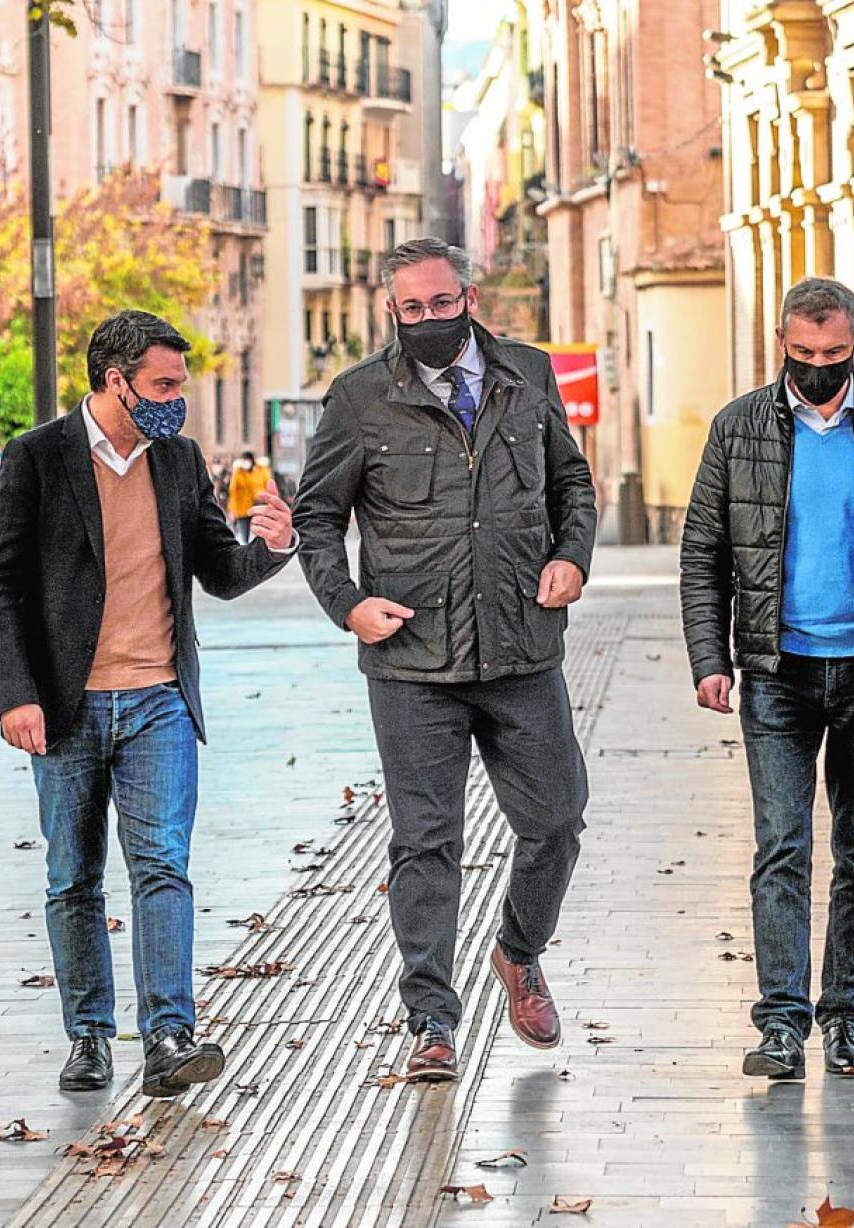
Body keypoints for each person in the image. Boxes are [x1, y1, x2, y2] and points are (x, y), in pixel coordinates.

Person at [291, 237, 597, 1084]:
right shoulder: (358, 398)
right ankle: (432, 1020)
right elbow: (316, 518)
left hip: (523, 647)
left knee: (557, 820)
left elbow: (572, 483)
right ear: (391, 310)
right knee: (426, 844)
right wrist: (347, 604)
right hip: (411, 662)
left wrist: (573, 554)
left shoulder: (529, 375)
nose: (428, 319)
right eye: (410, 308)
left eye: (441, 302)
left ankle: (517, 950)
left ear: (470, 296)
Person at [0, 310, 297, 1098]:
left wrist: (274, 549)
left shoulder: (180, 461)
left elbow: (218, 571)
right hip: (66, 708)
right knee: (72, 877)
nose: (176, 399)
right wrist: (14, 696)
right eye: (163, 384)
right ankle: (88, 1037)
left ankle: (168, 1036)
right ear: (115, 380)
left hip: (158, 702)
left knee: (162, 869)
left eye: (179, 385)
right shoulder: (37, 458)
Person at [678, 277, 854, 1082]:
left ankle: (845, 1020)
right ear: (781, 345)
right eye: (803, 355)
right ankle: (783, 1023)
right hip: (776, 672)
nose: (819, 367)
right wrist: (709, 658)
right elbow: (704, 552)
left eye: (833, 354)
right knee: (782, 848)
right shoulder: (739, 427)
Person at [226, 451, 266, 543]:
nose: (246, 463)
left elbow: (266, 486)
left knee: (260, 532)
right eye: (244, 460)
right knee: (244, 534)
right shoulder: (238, 473)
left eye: (247, 460)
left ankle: (259, 551)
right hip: (242, 508)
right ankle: (246, 551)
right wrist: (231, 509)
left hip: (258, 506)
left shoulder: (260, 471)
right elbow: (233, 492)